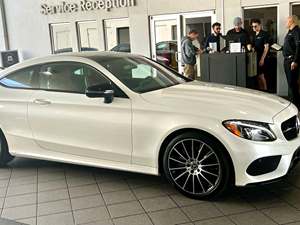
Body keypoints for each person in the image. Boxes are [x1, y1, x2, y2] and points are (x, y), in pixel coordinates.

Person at [283, 15, 300, 108]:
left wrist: (295, 61)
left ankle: (295, 106)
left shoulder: (297, 31)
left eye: (287, 21)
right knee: (290, 83)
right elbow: (290, 46)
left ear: (291, 21)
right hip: (287, 60)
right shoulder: (290, 32)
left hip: (291, 61)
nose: (286, 23)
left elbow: (299, 47)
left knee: (292, 84)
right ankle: (292, 104)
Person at [251, 19, 270, 91]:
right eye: (253, 27)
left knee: (261, 76)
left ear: (260, 25)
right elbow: (253, 46)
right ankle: (261, 92)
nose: (254, 28)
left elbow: (266, 48)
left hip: (262, 58)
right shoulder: (253, 35)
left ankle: (265, 91)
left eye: (255, 26)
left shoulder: (264, 34)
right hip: (255, 58)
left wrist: (262, 59)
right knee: (258, 76)